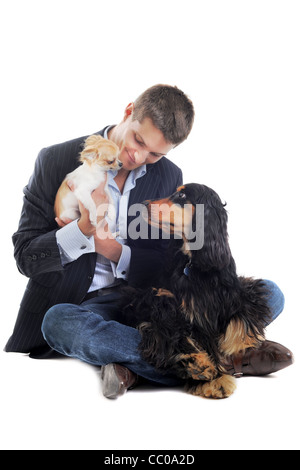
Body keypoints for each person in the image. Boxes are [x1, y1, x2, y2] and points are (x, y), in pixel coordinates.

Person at [5, 84, 293, 399]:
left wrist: (113, 249)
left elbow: (162, 261)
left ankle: (133, 368)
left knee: (271, 294)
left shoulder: (168, 175)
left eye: (155, 153)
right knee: (58, 322)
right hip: (81, 306)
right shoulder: (54, 160)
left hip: (151, 306)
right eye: (138, 140)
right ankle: (217, 361)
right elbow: (26, 258)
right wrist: (83, 230)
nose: (139, 156)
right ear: (129, 111)